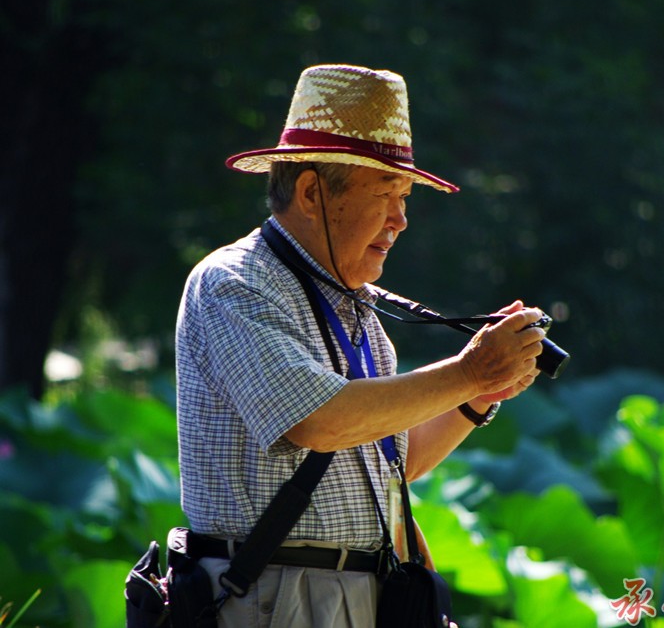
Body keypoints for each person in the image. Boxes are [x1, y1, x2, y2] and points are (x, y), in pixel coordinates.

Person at [175, 63, 546, 628]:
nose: (400, 219)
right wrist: (469, 372)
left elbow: (397, 458)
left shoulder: (357, 305)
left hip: (360, 594)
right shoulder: (234, 283)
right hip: (272, 596)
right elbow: (321, 422)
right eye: (387, 193)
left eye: (406, 196)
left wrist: (482, 392)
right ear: (311, 192)